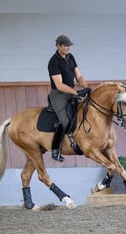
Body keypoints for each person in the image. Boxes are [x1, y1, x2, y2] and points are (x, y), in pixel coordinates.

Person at [48, 34, 91, 162]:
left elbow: (78, 76)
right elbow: (59, 85)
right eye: (66, 46)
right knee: (65, 121)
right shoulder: (53, 62)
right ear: (58, 45)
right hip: (59, 94)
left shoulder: (70, 57)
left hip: (72, 92)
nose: (68, 48)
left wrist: (86, 88)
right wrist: (76, 92)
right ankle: (55, 149)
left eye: (69, 46)